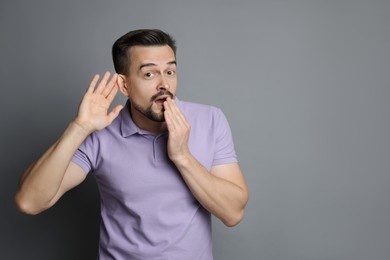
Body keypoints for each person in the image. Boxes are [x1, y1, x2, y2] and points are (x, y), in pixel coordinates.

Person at [15, 29, 249, 259]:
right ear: (124, 85)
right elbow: (29, 202)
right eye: (149, 74)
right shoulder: (101, 133)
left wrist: (182, 157)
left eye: (170, 71)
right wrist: (79, 128)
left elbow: (233, 213)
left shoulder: (210, 119)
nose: (163, 85)